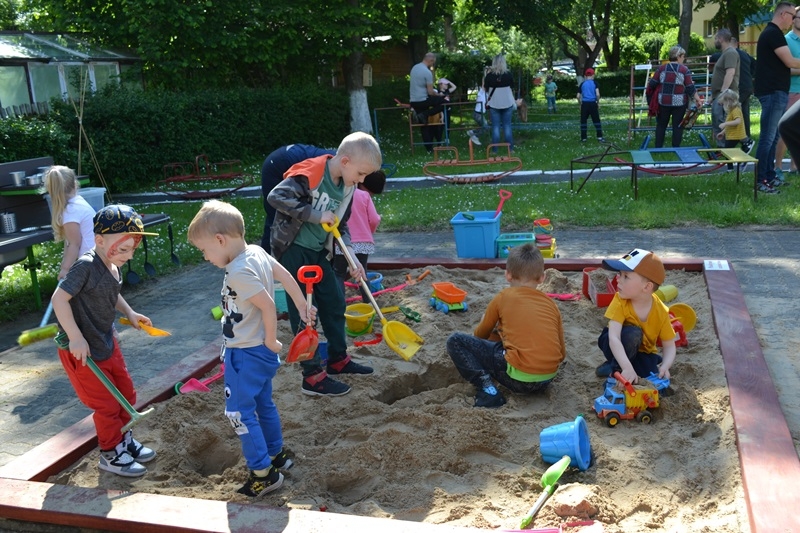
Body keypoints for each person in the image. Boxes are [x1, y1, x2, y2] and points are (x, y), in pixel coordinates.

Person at [187, 200, 315, 498]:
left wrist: (271, 339)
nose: (205, 257)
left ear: (220, 240)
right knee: (263, 404)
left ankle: (263, 474)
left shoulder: (238, 273)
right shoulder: (255, 252)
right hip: (258, 353)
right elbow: (285, 275)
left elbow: (269, 306)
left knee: (239, 413)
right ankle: (276, 455)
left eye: (204, 250)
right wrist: (301, 304)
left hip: (246, 352)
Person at [267, 132, 381, 396]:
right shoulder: (312, 173)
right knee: (304, 312)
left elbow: (341, 225)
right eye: (361, 173)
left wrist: (351, 256)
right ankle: (312, 376)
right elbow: (277, 197)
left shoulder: (349, 187)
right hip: (293, 249)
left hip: (320, 251)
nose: (362, 181)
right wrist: (316, 215)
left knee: (334, 300)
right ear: (345, 160)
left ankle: (338, 360)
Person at [50, 204, 159, 477]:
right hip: (81, 350)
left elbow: (111, 293)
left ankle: (124, 440)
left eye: (133, 249)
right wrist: (75, 337)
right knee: (107, 404)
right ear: (99, 241)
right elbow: (59, 298)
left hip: (106, 341)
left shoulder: (111, 264)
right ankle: (110, 453)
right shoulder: (86, 266)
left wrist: (129, 312)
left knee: (125, 394)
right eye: (124, 249)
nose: (129, 255)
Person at [446, 243, 566, 408]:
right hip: (547, 378)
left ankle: (487, 389)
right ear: (542, 277)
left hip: (518, 379)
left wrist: (484, 323)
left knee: (456, 341)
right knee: (505, 337)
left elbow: (480, 335)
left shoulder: (502, 297)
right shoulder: (551, 305)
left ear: (508, 275)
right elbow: (562, 353)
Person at [594, 249, 677, 385]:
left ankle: (613, 366)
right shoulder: (620, 300)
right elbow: (613, 338)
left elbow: (669, 345)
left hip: (642, 352)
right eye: (619, 274)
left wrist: (665, 366)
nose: (618, 279)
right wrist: (626, 367)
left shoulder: (660, 311)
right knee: (633, 334)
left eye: (626, 276)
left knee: (652, 377)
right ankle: (615, 370)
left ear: (647, 287)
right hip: (616, 344)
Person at [754, 2, 800, 193]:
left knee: (773, 138)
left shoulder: (774, 33)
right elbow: (789, 61)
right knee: (768, 137)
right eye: (792, 15)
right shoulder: (773, 33)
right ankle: (761, 180)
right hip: (772, 92)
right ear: (783, 14)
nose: (792, 20)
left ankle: (770, 176)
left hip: (777, 91)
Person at [259, 145, 336, 253]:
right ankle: (266, 260)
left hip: (285, 157)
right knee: (275, 218)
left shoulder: (344, 164)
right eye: (360, 174)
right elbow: (275, 198)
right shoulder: (336, 164)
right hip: (276, 166)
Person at [332, 171, 386, 302]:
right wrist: (369, 231)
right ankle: (368, 302)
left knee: (338, 273)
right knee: (362, 273)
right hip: (362, 242)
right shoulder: (364, 196)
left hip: (342, 241)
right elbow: (374, 219)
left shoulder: (338, 195)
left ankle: (339, 304)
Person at [44, 166, 97, 280]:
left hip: (91, 264)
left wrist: (65, 269)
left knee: (60, 297)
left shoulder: (71, 211)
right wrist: (65, 263)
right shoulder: (78, 201)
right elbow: (70, 242)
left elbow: (74, 244)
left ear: (51, 190)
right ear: (75, 183)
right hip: (97, 259)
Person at [646, 46, 702, 148]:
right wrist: (698, 99)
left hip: (663, 101)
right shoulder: (684, 70)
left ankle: (658, 147)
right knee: (677, 126)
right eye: (683, 56)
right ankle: (676, 147)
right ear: (678, 56)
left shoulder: (661, 68)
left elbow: (652, 84)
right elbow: (690, 87)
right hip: (679, 102)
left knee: (661, 125)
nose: (683, 58)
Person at [774, 11, 800, 180]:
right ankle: (777, 166)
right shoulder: (787, 40)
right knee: (785, 130)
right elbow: (785, 69)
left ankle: (794, 167)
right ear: (793, 19)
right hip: (791, 90)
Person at [409, 52, 446, 154]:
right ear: (431, 61)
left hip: (413, 101)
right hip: (423, 100)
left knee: (424, 125)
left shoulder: (414, 68)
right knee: (444, 103)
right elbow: (430, 92)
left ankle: (429, 149)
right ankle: (425, 114)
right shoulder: (427, 72)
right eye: (433, 63)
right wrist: (439, 95)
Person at [710, 29, 740, 148]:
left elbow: (730, 73)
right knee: (719, 121)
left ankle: (726, 149)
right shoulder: (726, 53)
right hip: (720, 95)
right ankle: (722, 148)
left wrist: (723, 93)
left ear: (721, 39)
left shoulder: (730, 53)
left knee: (722, 122)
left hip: (726, 96)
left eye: (716, 38)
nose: (715, 41)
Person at [484, 54, 516, 152]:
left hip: (494, 103)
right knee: (507, 126)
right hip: (507, 102)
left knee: (495, 127)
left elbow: (486, 89)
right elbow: (512, 86)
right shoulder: (508, 74)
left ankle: (495, 150)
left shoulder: (489, 76)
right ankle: (510, 149)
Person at [732, 37, 756, 151]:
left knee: (733, 110)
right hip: (747, 86)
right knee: (744, 112)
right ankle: (747, 137)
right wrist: (751, 76)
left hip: (740, 87)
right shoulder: (745, 55)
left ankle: (740, 139)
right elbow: (754, 64)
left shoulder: (731, 53)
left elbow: (714, 57)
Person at [577, 68, 605, 142]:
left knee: (583, 121)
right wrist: (598, 102)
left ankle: (583, 138)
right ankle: (599, 137)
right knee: (596, 120)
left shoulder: (582, 84)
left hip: (585, 104)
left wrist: (580, 104)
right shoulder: (595, 83)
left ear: (585, 76)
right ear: (593, 75)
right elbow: (598, 94)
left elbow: (578, 96)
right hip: (592, 103)